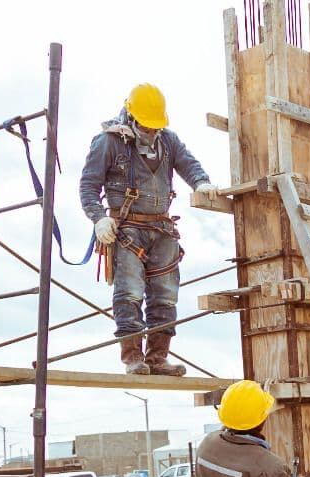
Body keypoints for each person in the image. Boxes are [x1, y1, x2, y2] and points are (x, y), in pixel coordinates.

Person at [79, 83, 219, 376]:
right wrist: (98, 218)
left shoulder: (168, 141)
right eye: (146, 126)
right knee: (129, 292)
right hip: (128, 230)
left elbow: (189, 165)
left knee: (165, 296)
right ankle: (133, 358)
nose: (151, 132)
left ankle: (157, 359)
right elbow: (89, 186)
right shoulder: (108, 142)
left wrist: (201, 183)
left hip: (162, 230)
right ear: (131, 117)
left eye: (155, 127)